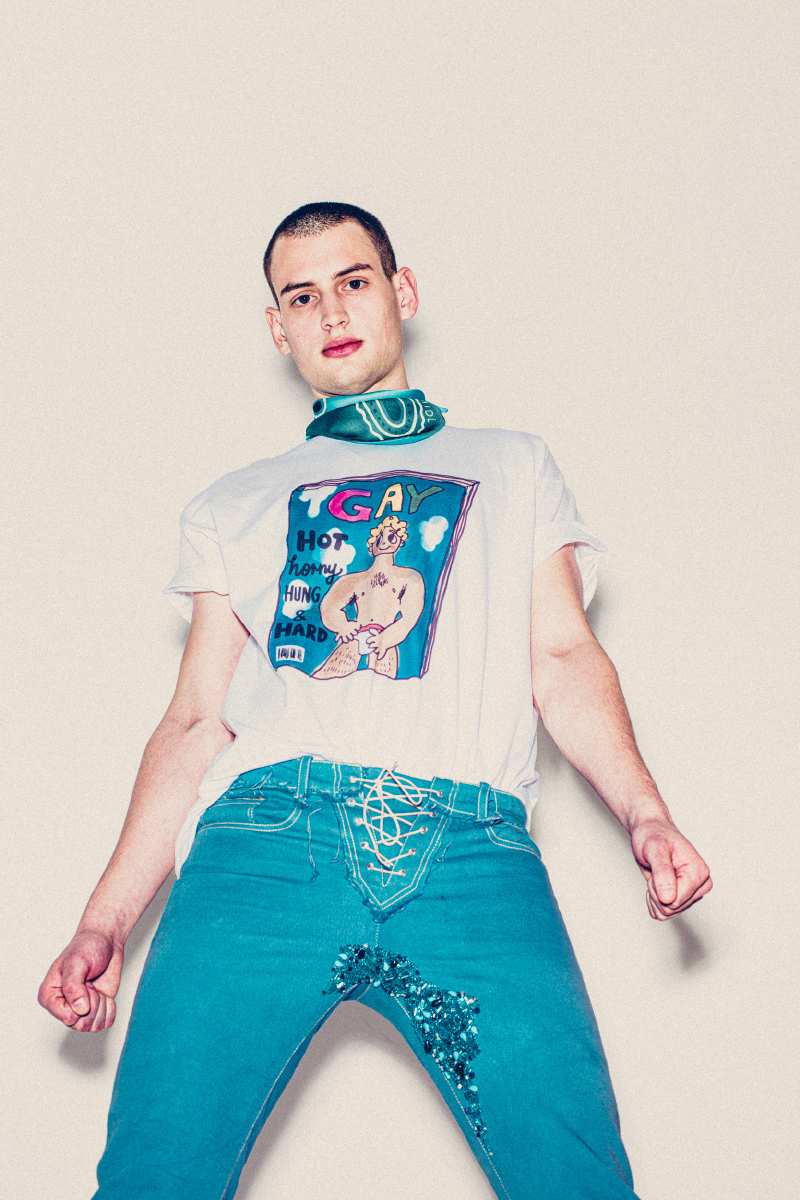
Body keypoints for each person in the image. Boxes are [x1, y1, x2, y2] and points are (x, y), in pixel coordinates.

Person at [38, 202, 712, 1200]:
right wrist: (103, 922)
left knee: (574, 1178)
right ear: (278, 328)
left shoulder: (512, 464)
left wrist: (646, 816)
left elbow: (563, 655)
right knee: (154, 1177)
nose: (332, 310)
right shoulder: (234, 502)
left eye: (353, 282)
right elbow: (194, 720)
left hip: (471, 855)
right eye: (301, 296)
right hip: (266, 848)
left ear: (401, 292)